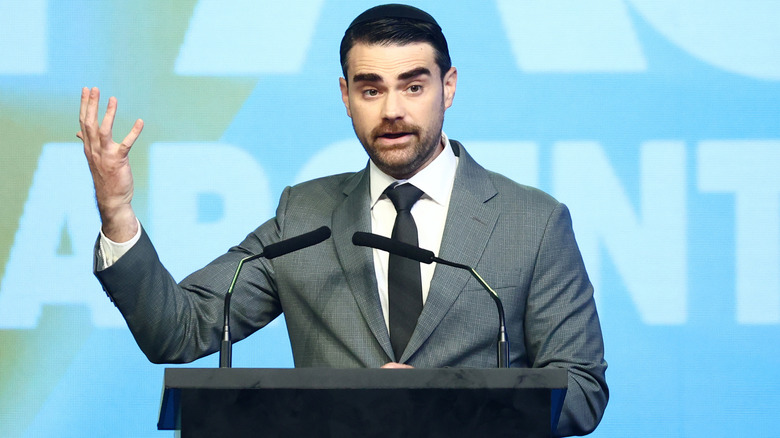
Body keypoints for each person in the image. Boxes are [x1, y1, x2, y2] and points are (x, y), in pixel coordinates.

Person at [78, 4, 607, 436]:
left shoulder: (533, 222)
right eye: (371, 89)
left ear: (448, 87)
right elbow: (178, 331)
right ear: (346, 97)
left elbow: (581, 392)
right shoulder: (304, 216)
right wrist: (117, 211)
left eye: (414, 86)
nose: (392, 110)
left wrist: (447, 400)